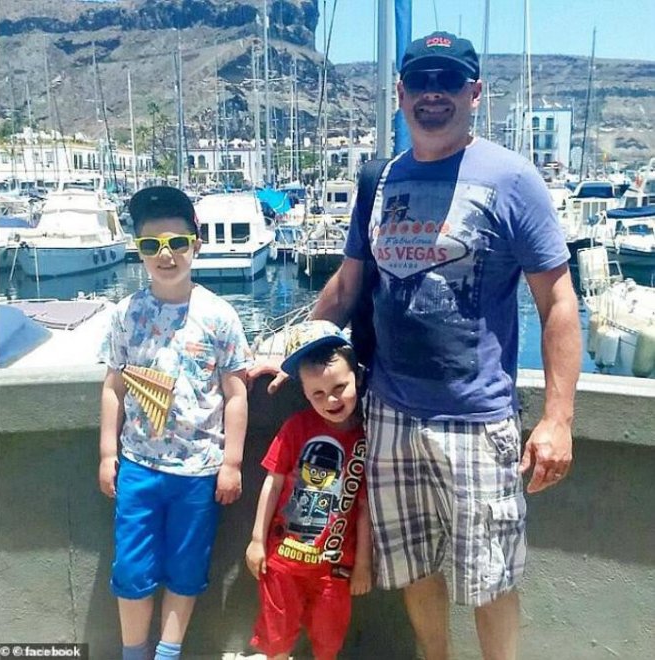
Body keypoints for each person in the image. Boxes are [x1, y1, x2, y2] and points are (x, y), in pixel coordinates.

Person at [257, 31, 582, 660]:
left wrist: (558, 418)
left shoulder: (512, 178)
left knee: (491, 577)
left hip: (476, 419)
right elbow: (349, 282)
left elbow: (559, 302)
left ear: (474, 92)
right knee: (412, 564)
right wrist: (289, 346)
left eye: (449, 80)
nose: (435, 93)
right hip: (390, 412)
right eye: (422, 81)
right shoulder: (381, 180)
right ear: (401, 93)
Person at [98, 186, 249, 660]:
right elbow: (113, 387)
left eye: (177, 243)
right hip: (138, 467)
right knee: (132, 571)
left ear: (195, 245)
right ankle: (133, 653)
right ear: (138, 251)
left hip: (199, 472)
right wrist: (107, 453)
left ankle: (167, 653)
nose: (166, 255)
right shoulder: (125, 314)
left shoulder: (220, 316)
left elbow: (236, 394)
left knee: (186, 571)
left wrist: (231, 463)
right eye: (151, 245)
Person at [246, 320, 373, 660]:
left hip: (335, 569)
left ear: (357, 378)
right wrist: (257, 540)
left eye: (339, 387)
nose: (330, 399)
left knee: (329, 639)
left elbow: (364, 507)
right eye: (317, 393)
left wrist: (363, 563)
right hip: (282, 562)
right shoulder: (296, 427)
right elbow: (272, 482)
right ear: (304, 393)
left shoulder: (366, 438)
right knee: (276, 637)